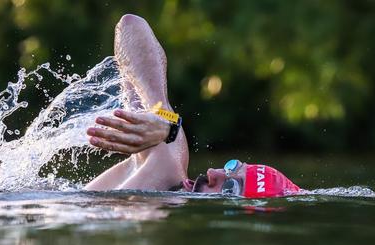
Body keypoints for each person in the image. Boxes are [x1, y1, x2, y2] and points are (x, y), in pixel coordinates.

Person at [85, 14, 301, 198]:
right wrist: (162, 116)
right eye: (231, 167)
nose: (213, 173)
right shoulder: (166, 172)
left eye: (229, 187)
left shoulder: (164, 209)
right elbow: (131, 25)